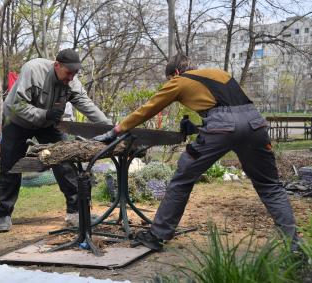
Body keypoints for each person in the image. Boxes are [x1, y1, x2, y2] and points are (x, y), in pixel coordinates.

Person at [93, 54, 299, 251]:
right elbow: (233, 114)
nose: (170, 83)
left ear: (175, 72)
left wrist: (116, 130)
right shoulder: (219, 74)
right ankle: (295, 247)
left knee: (182, 179)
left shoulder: (179, 81)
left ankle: (157, 236)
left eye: (169, 80)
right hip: (255, 123)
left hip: (221, 126)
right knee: (270, 186)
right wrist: (199, 127)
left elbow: (148, 108)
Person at [0, 48, 112, 232]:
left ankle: (75, 213)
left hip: (47, 123)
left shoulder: (71, 82)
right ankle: (4, 214)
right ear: (57, 65)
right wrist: (45, 113)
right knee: (10, 165)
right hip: (17, 120)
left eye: (75, 74)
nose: (71, 78)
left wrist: (110, 128)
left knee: (65, 160)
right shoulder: (33, 70)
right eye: (68, 73)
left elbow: (87, 105)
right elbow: (17, 105)